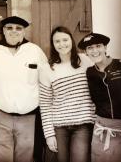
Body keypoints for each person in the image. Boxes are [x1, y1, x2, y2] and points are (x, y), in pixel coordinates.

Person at [0, 16, 48, 162]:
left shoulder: (35, 51)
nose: (14, 31)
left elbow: (46, 83)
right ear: (3, 31)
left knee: (25, 159)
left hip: (28, 119)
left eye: (19, 28)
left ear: (24, 32)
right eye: (9, 28)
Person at [39, 26, 95, 162]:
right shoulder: (47, 69)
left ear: (71, 40)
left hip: (83, 125)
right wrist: (49, 134)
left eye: (65, 39)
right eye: (57, 41)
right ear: (52, 44)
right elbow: (45, 104)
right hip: (59, 126)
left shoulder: (86, 60)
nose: (62, 44)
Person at [78, 33, 121, 162]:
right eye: (89, 48)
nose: (94, 51)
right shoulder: (89, 72)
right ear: (86, 53)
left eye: (98, 46)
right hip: (100, 128)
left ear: (105, 47)